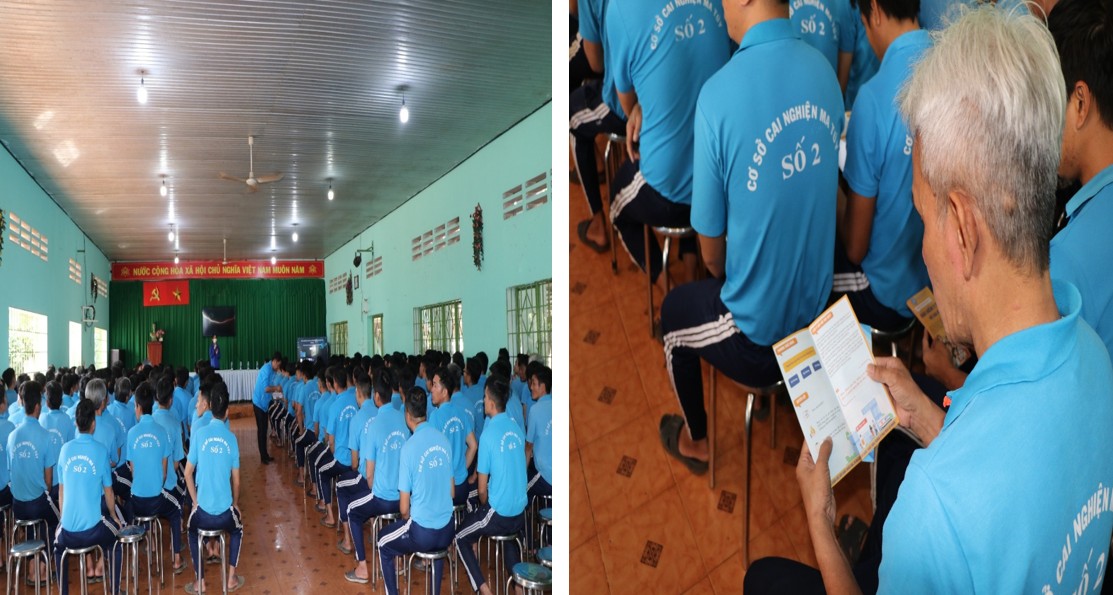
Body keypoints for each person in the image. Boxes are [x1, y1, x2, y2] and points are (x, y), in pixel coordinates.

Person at [746, 7, 1113, 592]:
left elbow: (967, 510)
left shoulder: (933, 512)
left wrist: (818, 520)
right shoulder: (1094, 357)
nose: (921, 246)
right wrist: (926, 417)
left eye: (922, 215)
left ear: (963, 229)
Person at [657, 0, 844, 475]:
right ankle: (766, 400)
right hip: (816, 313)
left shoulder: (718, 96)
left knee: (672, 319)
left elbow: (711, 254)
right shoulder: (823, 72)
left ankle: (697, 442)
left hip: (760, 338)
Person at [605, 0, 731, 297]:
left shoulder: (621, 9)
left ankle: (672, 292)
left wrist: (639, 108)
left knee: (617, 207)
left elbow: (625, 101)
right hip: (723, 183)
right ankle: (692, 268)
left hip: (670, 193)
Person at [833, 0, 930, 332]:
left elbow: (856, 248)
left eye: (862, 22)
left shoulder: (874, 97)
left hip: (886, 294)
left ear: (873, 10)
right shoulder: (952, 64)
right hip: (938, 285)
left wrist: (832, 190)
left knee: (809, 279)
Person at [376, 387, 455, 595]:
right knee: (437, 542)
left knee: (383, 541)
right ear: (425, 411)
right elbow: (452, 492)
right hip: (448, 530)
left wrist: (412, 524)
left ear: (407, 415)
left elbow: (404, 509)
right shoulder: (444, 441)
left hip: (423, 533)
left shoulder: (409, 448)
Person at [454, 375, 527, 595]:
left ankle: (484, 590)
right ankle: (518, 588)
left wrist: (486, 506)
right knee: (509, 538)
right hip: (520, 513)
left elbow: (482, 489)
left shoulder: (488, 435)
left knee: (459, 536)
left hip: (499, 514)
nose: (483, 400)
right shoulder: (516, 429)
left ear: (492, 403)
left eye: (485, 397)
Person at [341, 373, 410, 584]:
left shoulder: (375, 425)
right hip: (404, 498)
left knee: (352, 509)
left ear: (377, 397)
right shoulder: (404, 418)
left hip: (382, 498)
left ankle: (362, 567)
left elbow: (369, 473)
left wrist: (373, 489)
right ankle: (399, 562)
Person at [570, 0, 626, 254]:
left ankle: (598, 223)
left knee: (570, 114)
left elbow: (596, 63)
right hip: (663, 100)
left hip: (627, 102)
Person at [54, 400, 125, 595]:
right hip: (93, 530)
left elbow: (61, 492)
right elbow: (109, 492)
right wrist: (114, 516)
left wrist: (63, 520)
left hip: (67, 532)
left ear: (76, 423)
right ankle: (114, 591)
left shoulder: (65, 450)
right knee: (117, 539)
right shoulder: (101, 451)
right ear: (93, 424)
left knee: (57, 549)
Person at [184, 382, 245, 593]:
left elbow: (187, 473)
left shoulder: (199, 434)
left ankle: (200, 581)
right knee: (238, 529)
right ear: (227, 412)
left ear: (209, 406)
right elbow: (237, 481)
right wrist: (235, 504)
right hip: (226, 514)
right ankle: (231, 578)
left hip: (202, 513)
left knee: (191, 532)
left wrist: (195, 502)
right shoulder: (232, 439)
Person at [126, 381, 186, 575]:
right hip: (157, 499)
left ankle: (135, 561)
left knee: (129, 511)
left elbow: (133, 470)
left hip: (137, 501)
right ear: (152, 404)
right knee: (176, 510)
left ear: (137, 406)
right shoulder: (161, 432)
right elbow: (165, 472)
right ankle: (176, 559)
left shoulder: (132, 433)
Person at [8, 381, 61, 585]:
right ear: (38, 406)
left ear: (22, 404)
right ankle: (42, 567)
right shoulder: (45, 436)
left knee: (33, 521)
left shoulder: (12, 436)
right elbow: (48, 482)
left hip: (17, 506)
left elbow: (12, 472)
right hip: (38, 502)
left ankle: (32, 568)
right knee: (58, 521)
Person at [429, 367, 477, 508]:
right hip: (462, 487)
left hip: (444, 489)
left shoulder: (435, 417)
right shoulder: (461, 413)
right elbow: (473, 445)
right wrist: (461, 468)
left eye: (435, 385)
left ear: (445, 392)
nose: (431, 389)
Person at [525, 364, 553, 499]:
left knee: (521, 488)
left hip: (546, 477)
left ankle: (530, 514)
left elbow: (528, 447)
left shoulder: (535, 410)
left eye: (534, 384)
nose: (531, 387)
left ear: (542, 387)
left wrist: (522, 473)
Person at [252, 352, 283, 464]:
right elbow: (266, 388)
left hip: (264, 404)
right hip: (259, 403)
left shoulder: (273, 370)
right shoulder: (266, 369)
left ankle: (265, 455)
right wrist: (276, 388)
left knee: (265, 429)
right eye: (278, 364)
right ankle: (263, 457)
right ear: (274, 361)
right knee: (261, 430)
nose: (278, 367)